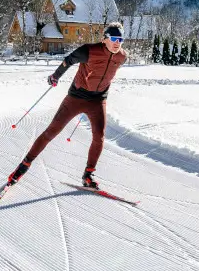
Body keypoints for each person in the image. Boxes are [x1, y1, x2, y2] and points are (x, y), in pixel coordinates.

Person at [7, 23, 127, 191]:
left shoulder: (122, 56)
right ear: (104, 39)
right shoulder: (89, 50)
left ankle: (88, 175)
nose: (117, 43)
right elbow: (69, 60)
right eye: (114, 38)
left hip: (98, 100)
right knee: (51, 132)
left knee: (99, 136)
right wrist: (55, 76)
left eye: (121, 39)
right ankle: (23, 167)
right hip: (77, 97)